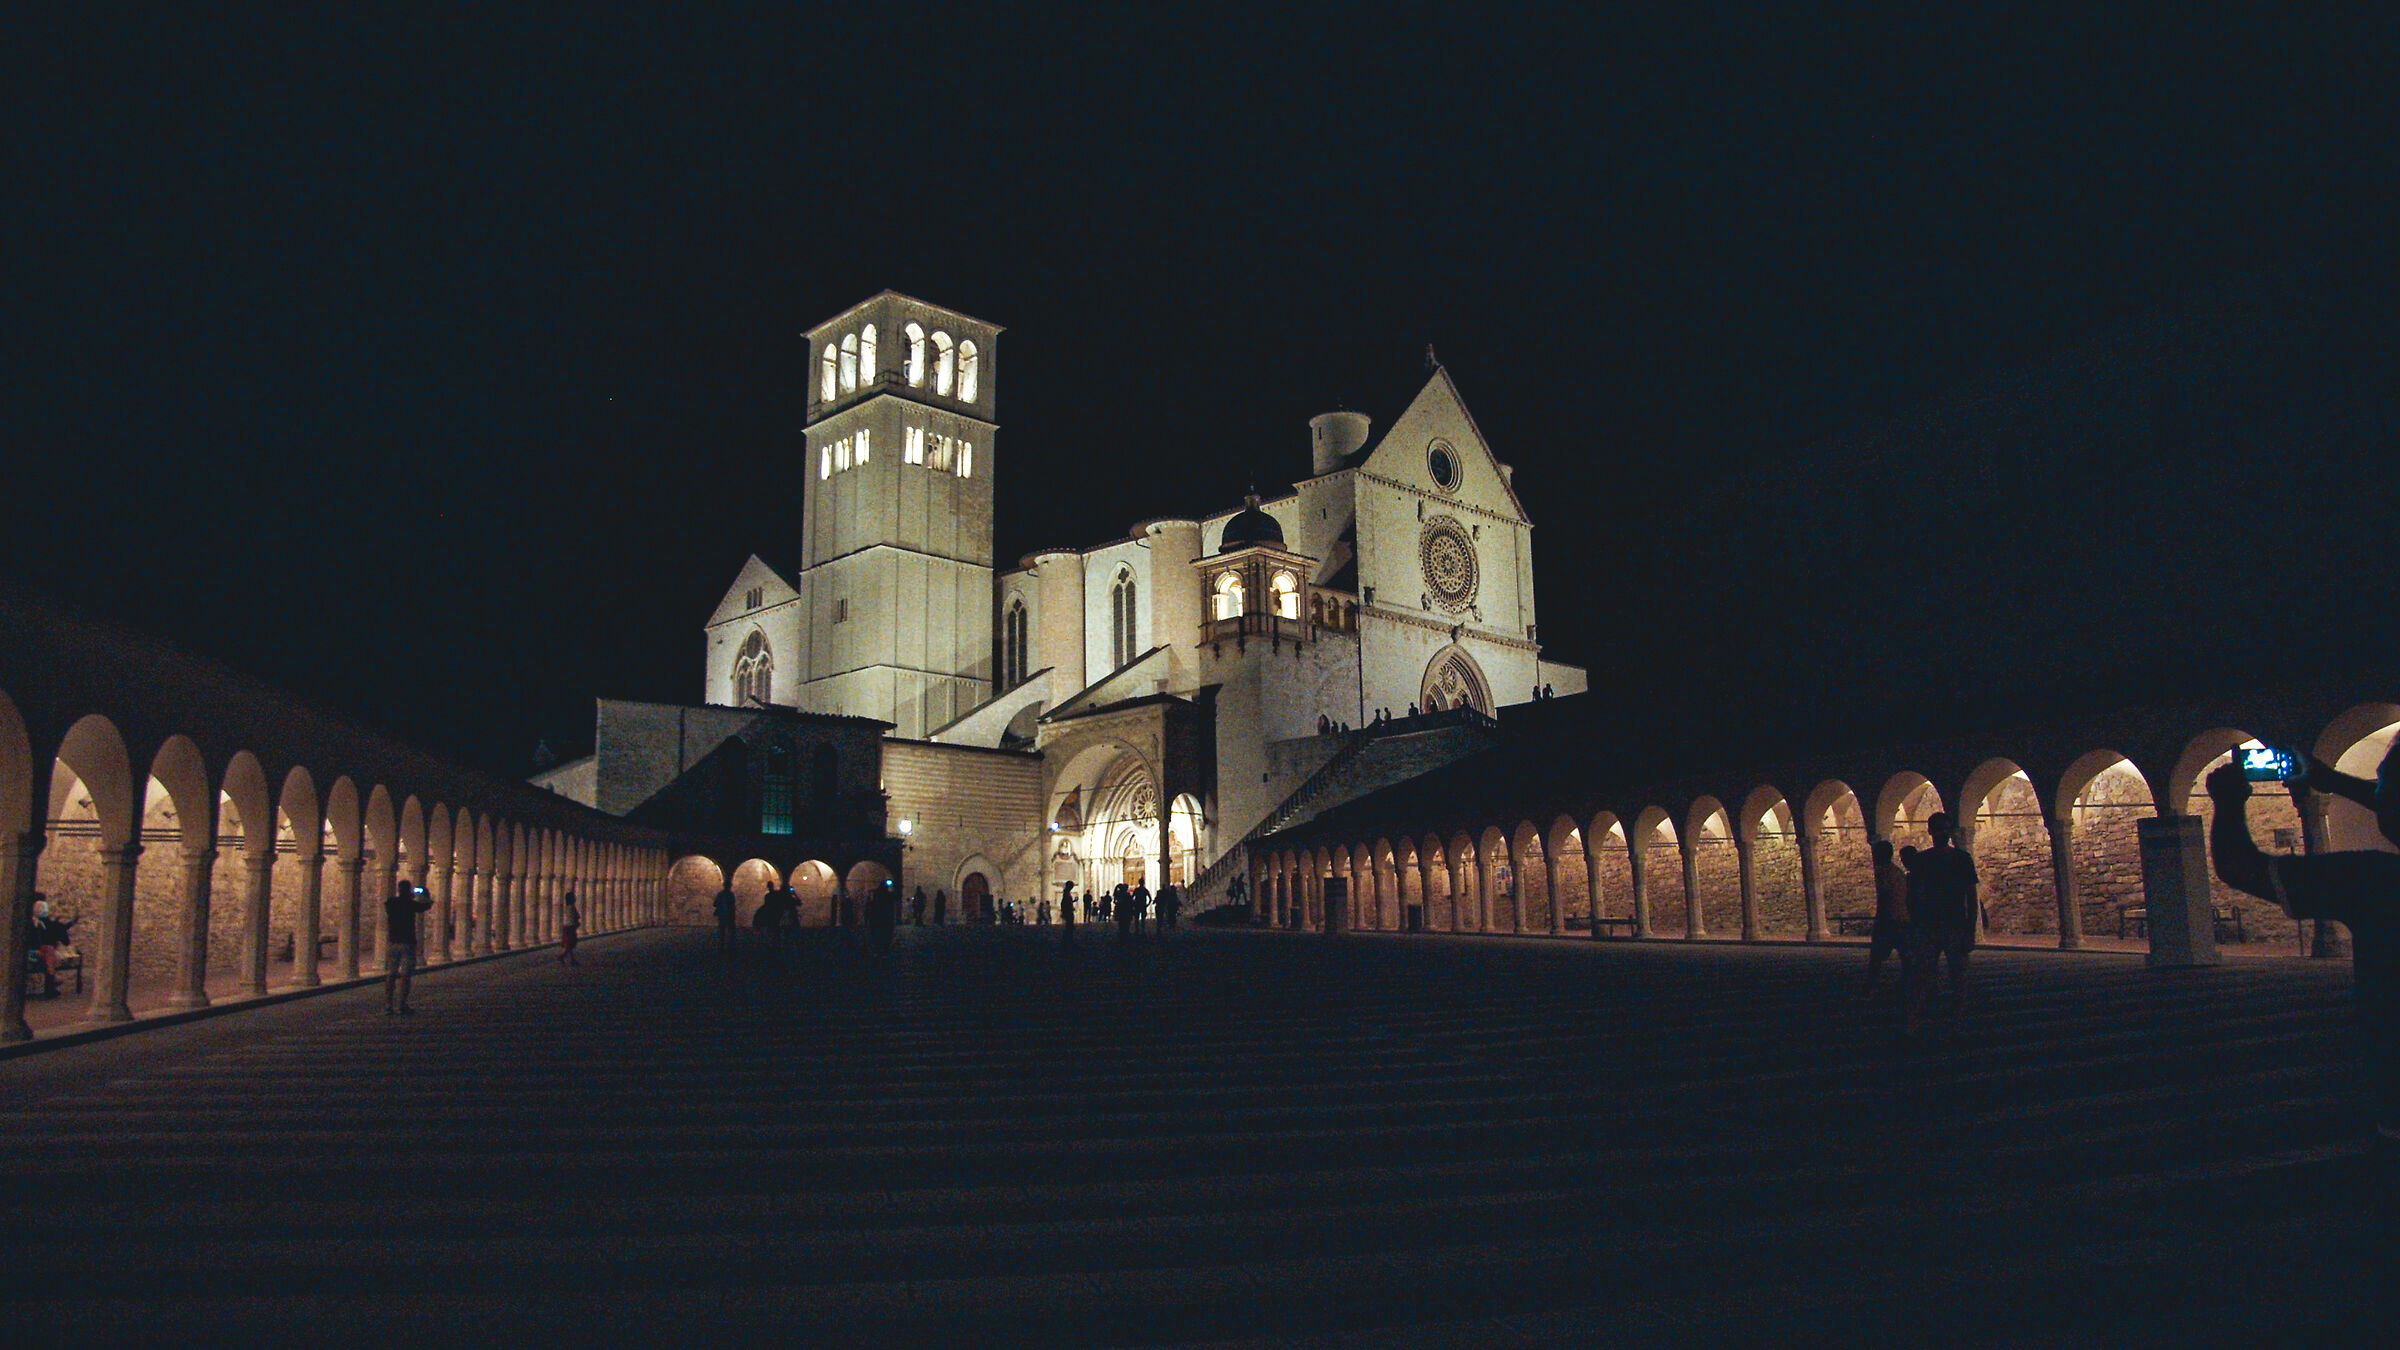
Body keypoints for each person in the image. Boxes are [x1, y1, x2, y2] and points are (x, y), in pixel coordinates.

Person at [2207, 750, 2400, 1163]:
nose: (2376, 791)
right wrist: (2335, 781)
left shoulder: (2376, 883)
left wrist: (2227, 801)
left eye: (2383, 783)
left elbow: (2239, 866)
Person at [1902, 814, 1978, 1039]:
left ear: (1930, 832)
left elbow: (1913, 897)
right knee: (1954, 978)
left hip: (1932, 926)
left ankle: (1916, 1024)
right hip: (1949, 925)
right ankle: (1953, 1023)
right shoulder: (1961, 858)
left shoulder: (1923, 861)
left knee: (1927, 977)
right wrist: (1971, 930)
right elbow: (1971, 897)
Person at [1862, 839, 1910, 998]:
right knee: (1905, 956)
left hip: (1889, 920)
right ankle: (1907, 985)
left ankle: (1870, 987)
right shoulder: (1898, 871)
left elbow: (1885, 896)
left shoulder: (1883, 872)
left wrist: (1880, 919)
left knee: (1876, 957)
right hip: (1902, 919)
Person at [383, 880, 433, 1013]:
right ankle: (402, 1004)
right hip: (407, 942)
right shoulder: (410, 904)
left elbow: (389, 904)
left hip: (393, 942)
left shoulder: (391, 903)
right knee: (405, 975)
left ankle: (388, 1004)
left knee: (391, 974)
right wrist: (423, 893)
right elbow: (426, 906)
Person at [25, 896, 74, 999]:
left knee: (49, 950)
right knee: (49, 950)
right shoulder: (29, 923)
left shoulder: (43, 923)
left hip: (39, 951)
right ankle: (50, 983)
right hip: (29, 951)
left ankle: (50, 983)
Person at [558, 889, 582, 966]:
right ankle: (561, 956)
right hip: (571, 927)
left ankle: (572, 960)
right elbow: (577, 916)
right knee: (570, 944)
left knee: (569, 944)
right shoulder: (572, 907)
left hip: (566, 927)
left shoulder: (566, 907)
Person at [712, 882, 738, 956]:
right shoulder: (730, 895)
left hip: (722, 915)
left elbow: (715, 903)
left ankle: (722, 947)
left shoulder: (721, 894)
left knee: (722, 932)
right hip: (729, 916)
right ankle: (730, 947)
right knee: (730, 931)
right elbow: (733, 905)